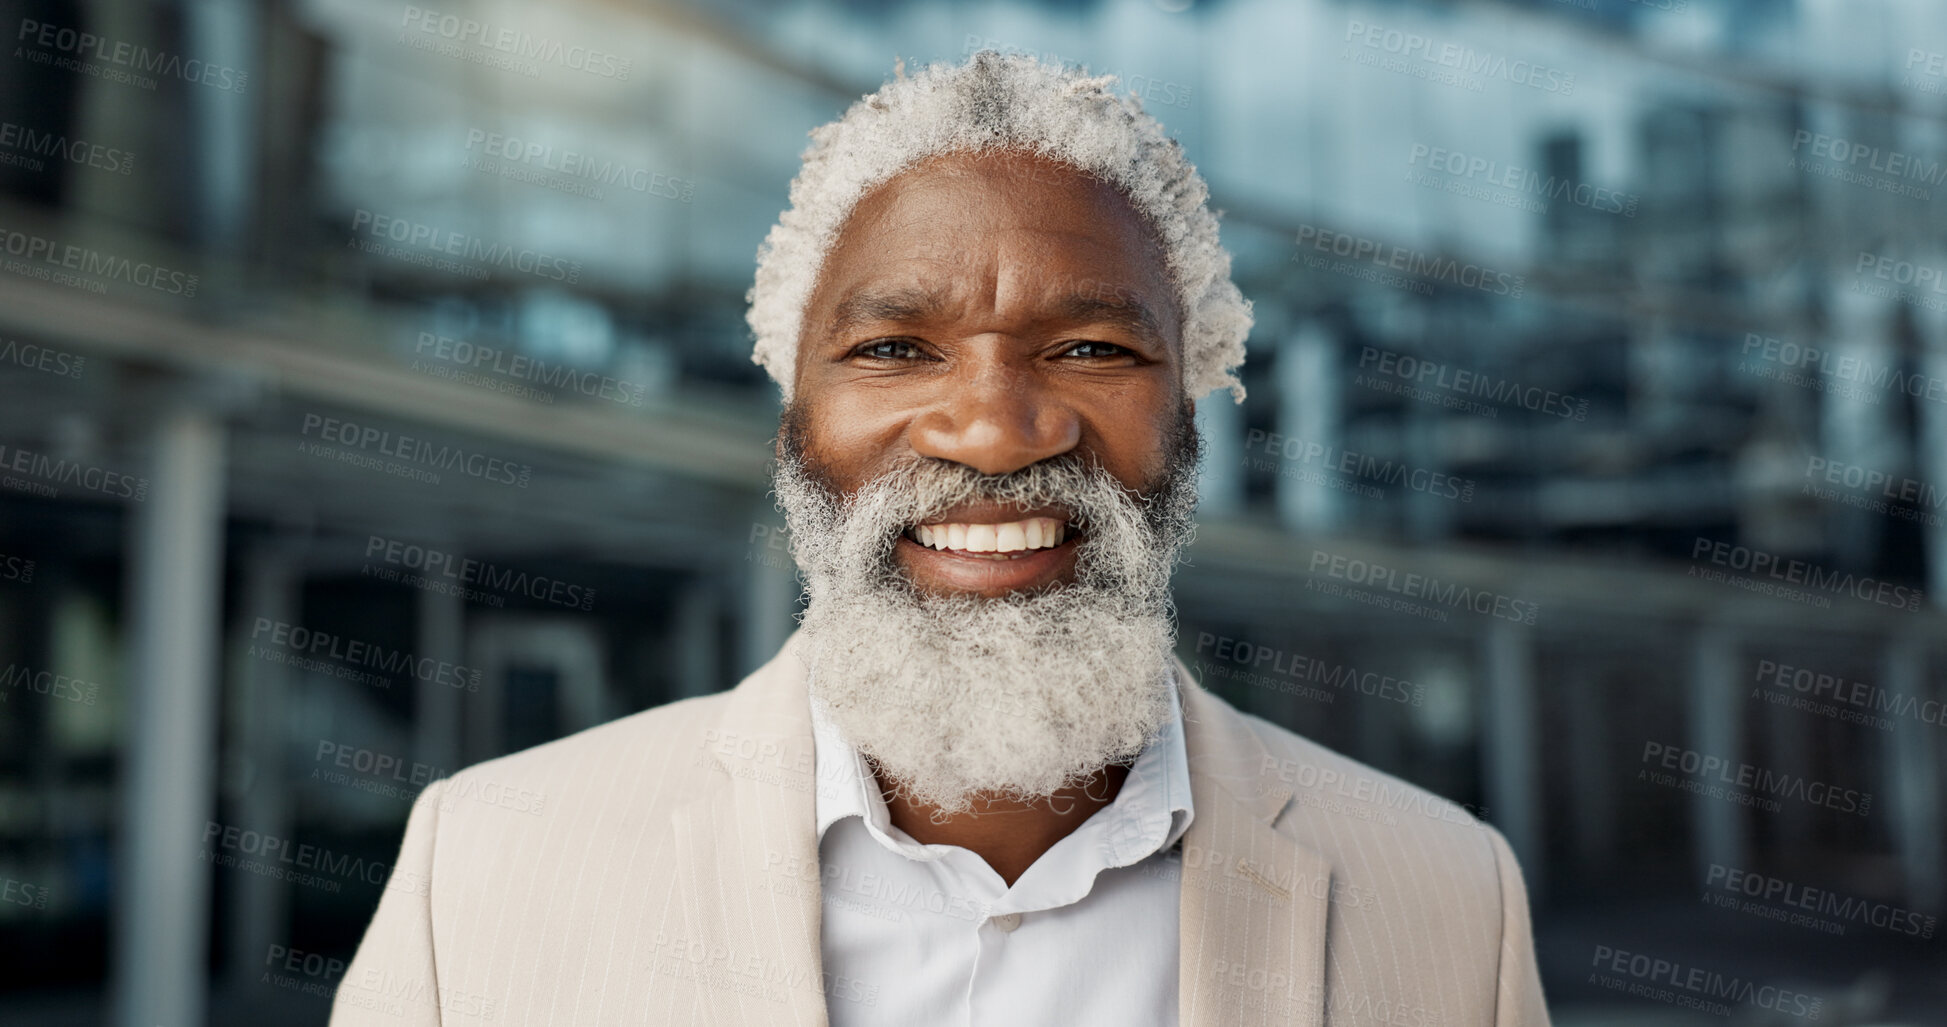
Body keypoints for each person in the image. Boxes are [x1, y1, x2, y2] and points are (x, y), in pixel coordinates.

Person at [333, 51, 1550, 1026]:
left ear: (1191, 413)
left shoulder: (1445, 893)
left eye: (1090, 349)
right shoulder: (487, 868)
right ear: (793, 415)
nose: (994, 430)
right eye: (894, 349)